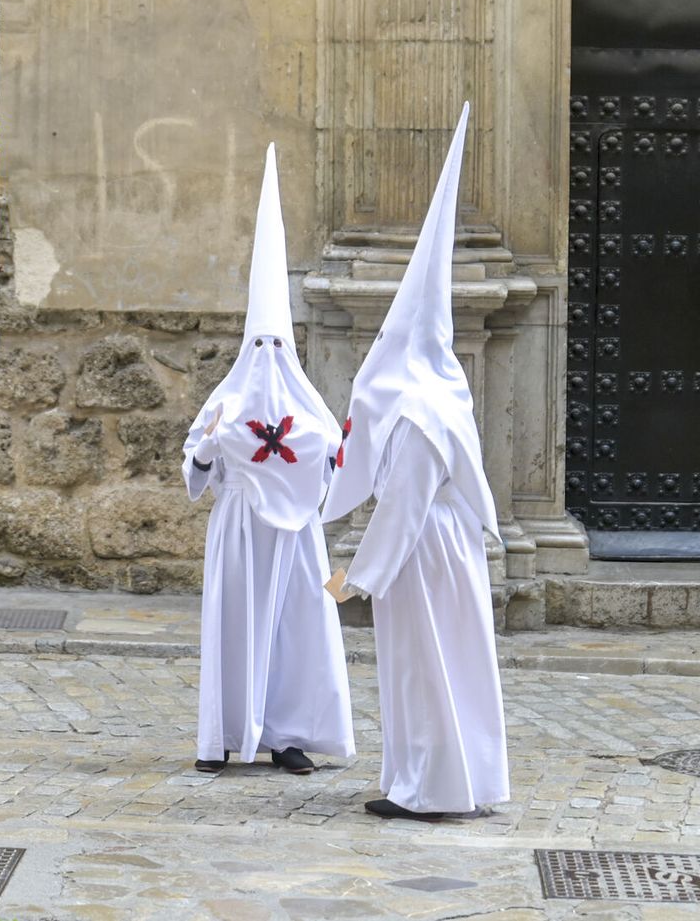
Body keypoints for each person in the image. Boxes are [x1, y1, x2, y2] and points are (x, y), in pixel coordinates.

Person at [321, 104, 509, 819]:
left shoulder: (420, 411)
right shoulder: (444, 393)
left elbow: (403, 505)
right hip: (443, 550)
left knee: (425, 667)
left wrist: (357, 578)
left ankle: (431, 788)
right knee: (451, 664)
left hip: (424, 555)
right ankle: (456, 780)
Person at [183, 144, 355, 776]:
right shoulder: (224, 403)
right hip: (237, 533)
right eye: (258, 345)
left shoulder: (311, 413)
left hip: (298, 539)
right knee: (236, 627)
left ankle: (288, 736)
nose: (267, 356)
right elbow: (193, 472)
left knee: (295, 631)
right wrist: (210, 445)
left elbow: (336, 462)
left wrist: (333, 448)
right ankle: (225, 735)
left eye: (277, 345)